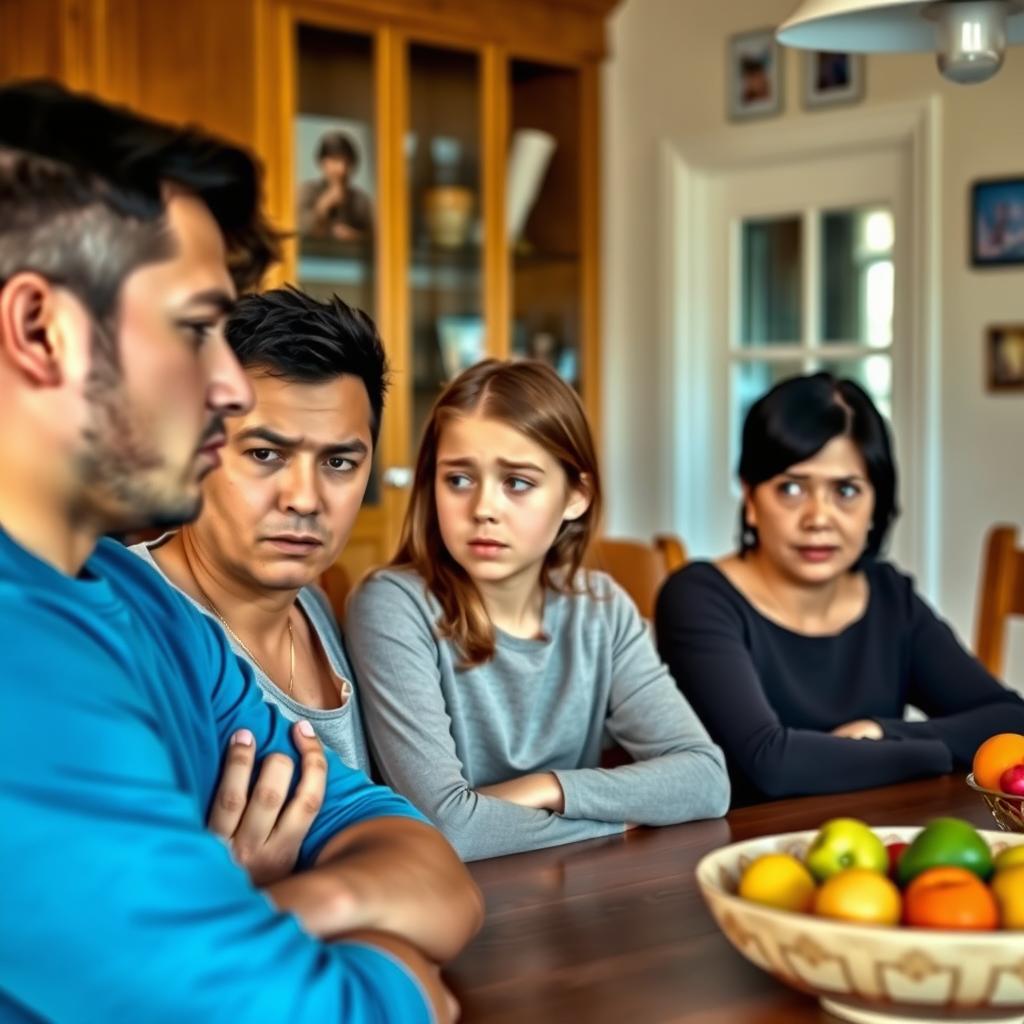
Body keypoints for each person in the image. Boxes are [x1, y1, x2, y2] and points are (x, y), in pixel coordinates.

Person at [0, 80, 480, 1022]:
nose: (227, 385)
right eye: (194, 330)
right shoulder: (21, 655)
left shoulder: (139, 613)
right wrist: (394, 980)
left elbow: (420, 858)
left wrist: (262, 917)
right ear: (37, 330)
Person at [345, 359, 729, 861]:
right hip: (446, 903)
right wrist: (619, 819)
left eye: (518, 483)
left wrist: (549, 787)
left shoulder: (603, 609)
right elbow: (446, 828)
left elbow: (705, 779)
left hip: (571, 894)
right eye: (458, 479)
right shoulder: (392, 606)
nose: (484, 508)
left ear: (576, 496)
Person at [655, 372, 1024, 806]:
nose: (819, 518)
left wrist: (885, 732)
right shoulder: (698, 598)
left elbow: (1011, 723)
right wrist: (935, 749)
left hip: (873, 849)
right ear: (751, 500)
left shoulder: (889, 597)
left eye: (846, 490)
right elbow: (770, 764)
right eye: (791, 488)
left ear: (875, 505)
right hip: (738, 857)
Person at [133, 286, 384, 775]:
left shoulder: (317, 604)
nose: (305, 499)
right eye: (265, 454)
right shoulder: (123, 620)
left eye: (338, 462)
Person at [298, 130, 374, 242]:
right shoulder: (308, 191)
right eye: (336, 160)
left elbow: (376, 239)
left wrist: (355, 237)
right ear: (322, 163)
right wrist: (322, 206)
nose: (342, 169)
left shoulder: (361, 200)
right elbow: (297, 230)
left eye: (347, 163)